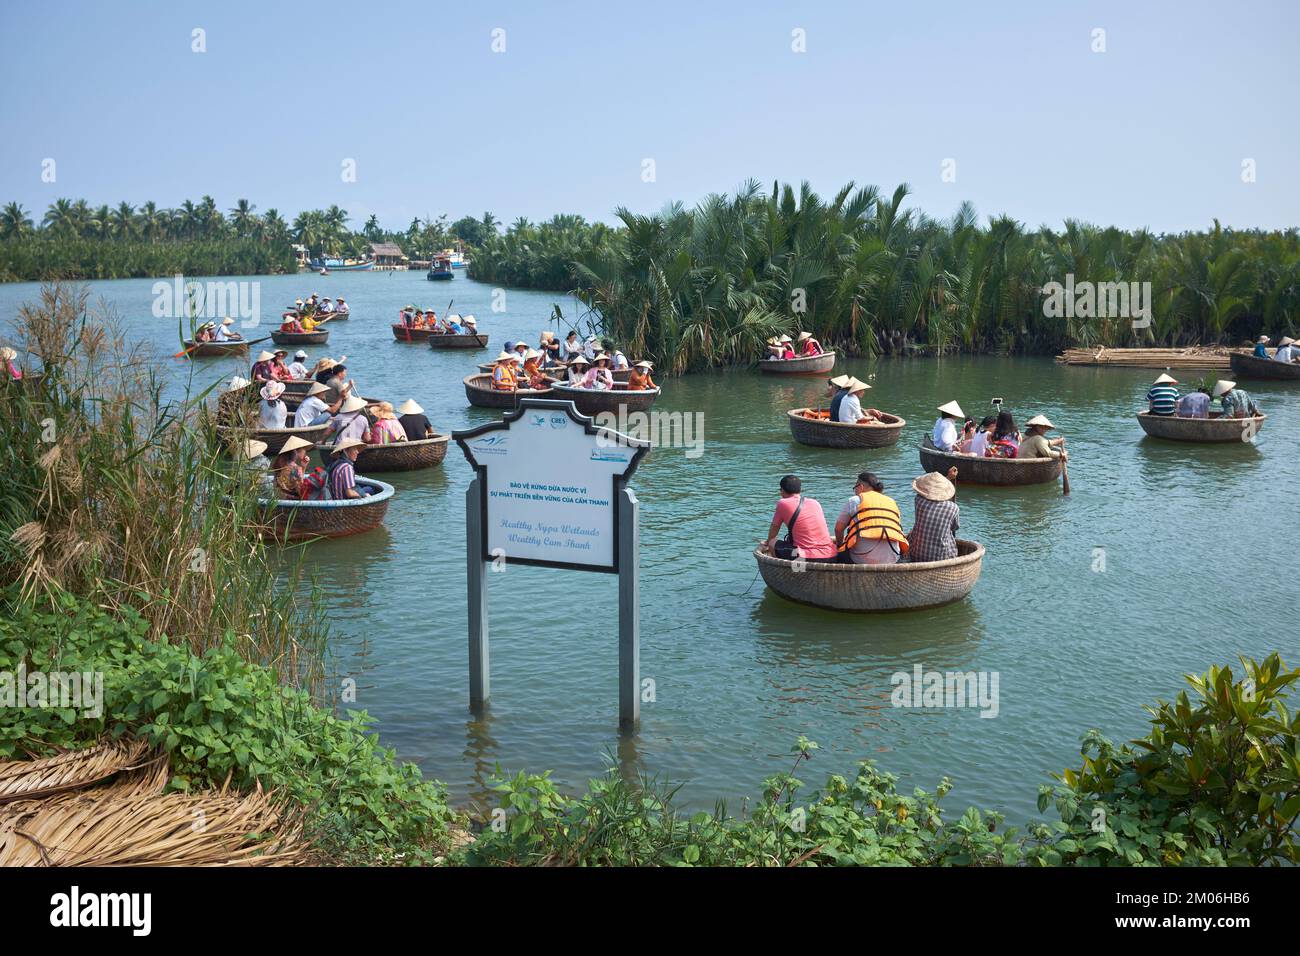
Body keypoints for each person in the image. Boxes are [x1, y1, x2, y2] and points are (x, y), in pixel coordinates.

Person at [835, 472, 908, 565]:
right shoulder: (891, 501)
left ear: (860, 486)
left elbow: (838, 530)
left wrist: (839, 546)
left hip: (860, 558)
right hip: (893, 557)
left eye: (854, 488)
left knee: (840, 553)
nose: (854, 491)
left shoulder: (854, 500)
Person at [763, 475, 837, 562]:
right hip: (831, 555)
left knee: (773, 543)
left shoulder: (783, 503)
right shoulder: (815, 503)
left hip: (805, 557)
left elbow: (774, 527)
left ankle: (793, 573)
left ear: (782, 490)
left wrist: (768, 542)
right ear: (800, 490)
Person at [907, 471, 960, 563]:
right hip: (942, 556)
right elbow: (955, 527)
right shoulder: (953, 508)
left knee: (912, 533)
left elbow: (928, 493)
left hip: (916, 553)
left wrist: (948, 477)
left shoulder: (919, 501)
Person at [271, 435, 314, 499]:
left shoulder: (278, 465)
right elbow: (301, 490)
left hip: (279, 500)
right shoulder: (295, 469)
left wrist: (303, 467)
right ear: (297, 451)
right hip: (293, 503)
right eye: (304, 449)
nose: (305, 452)